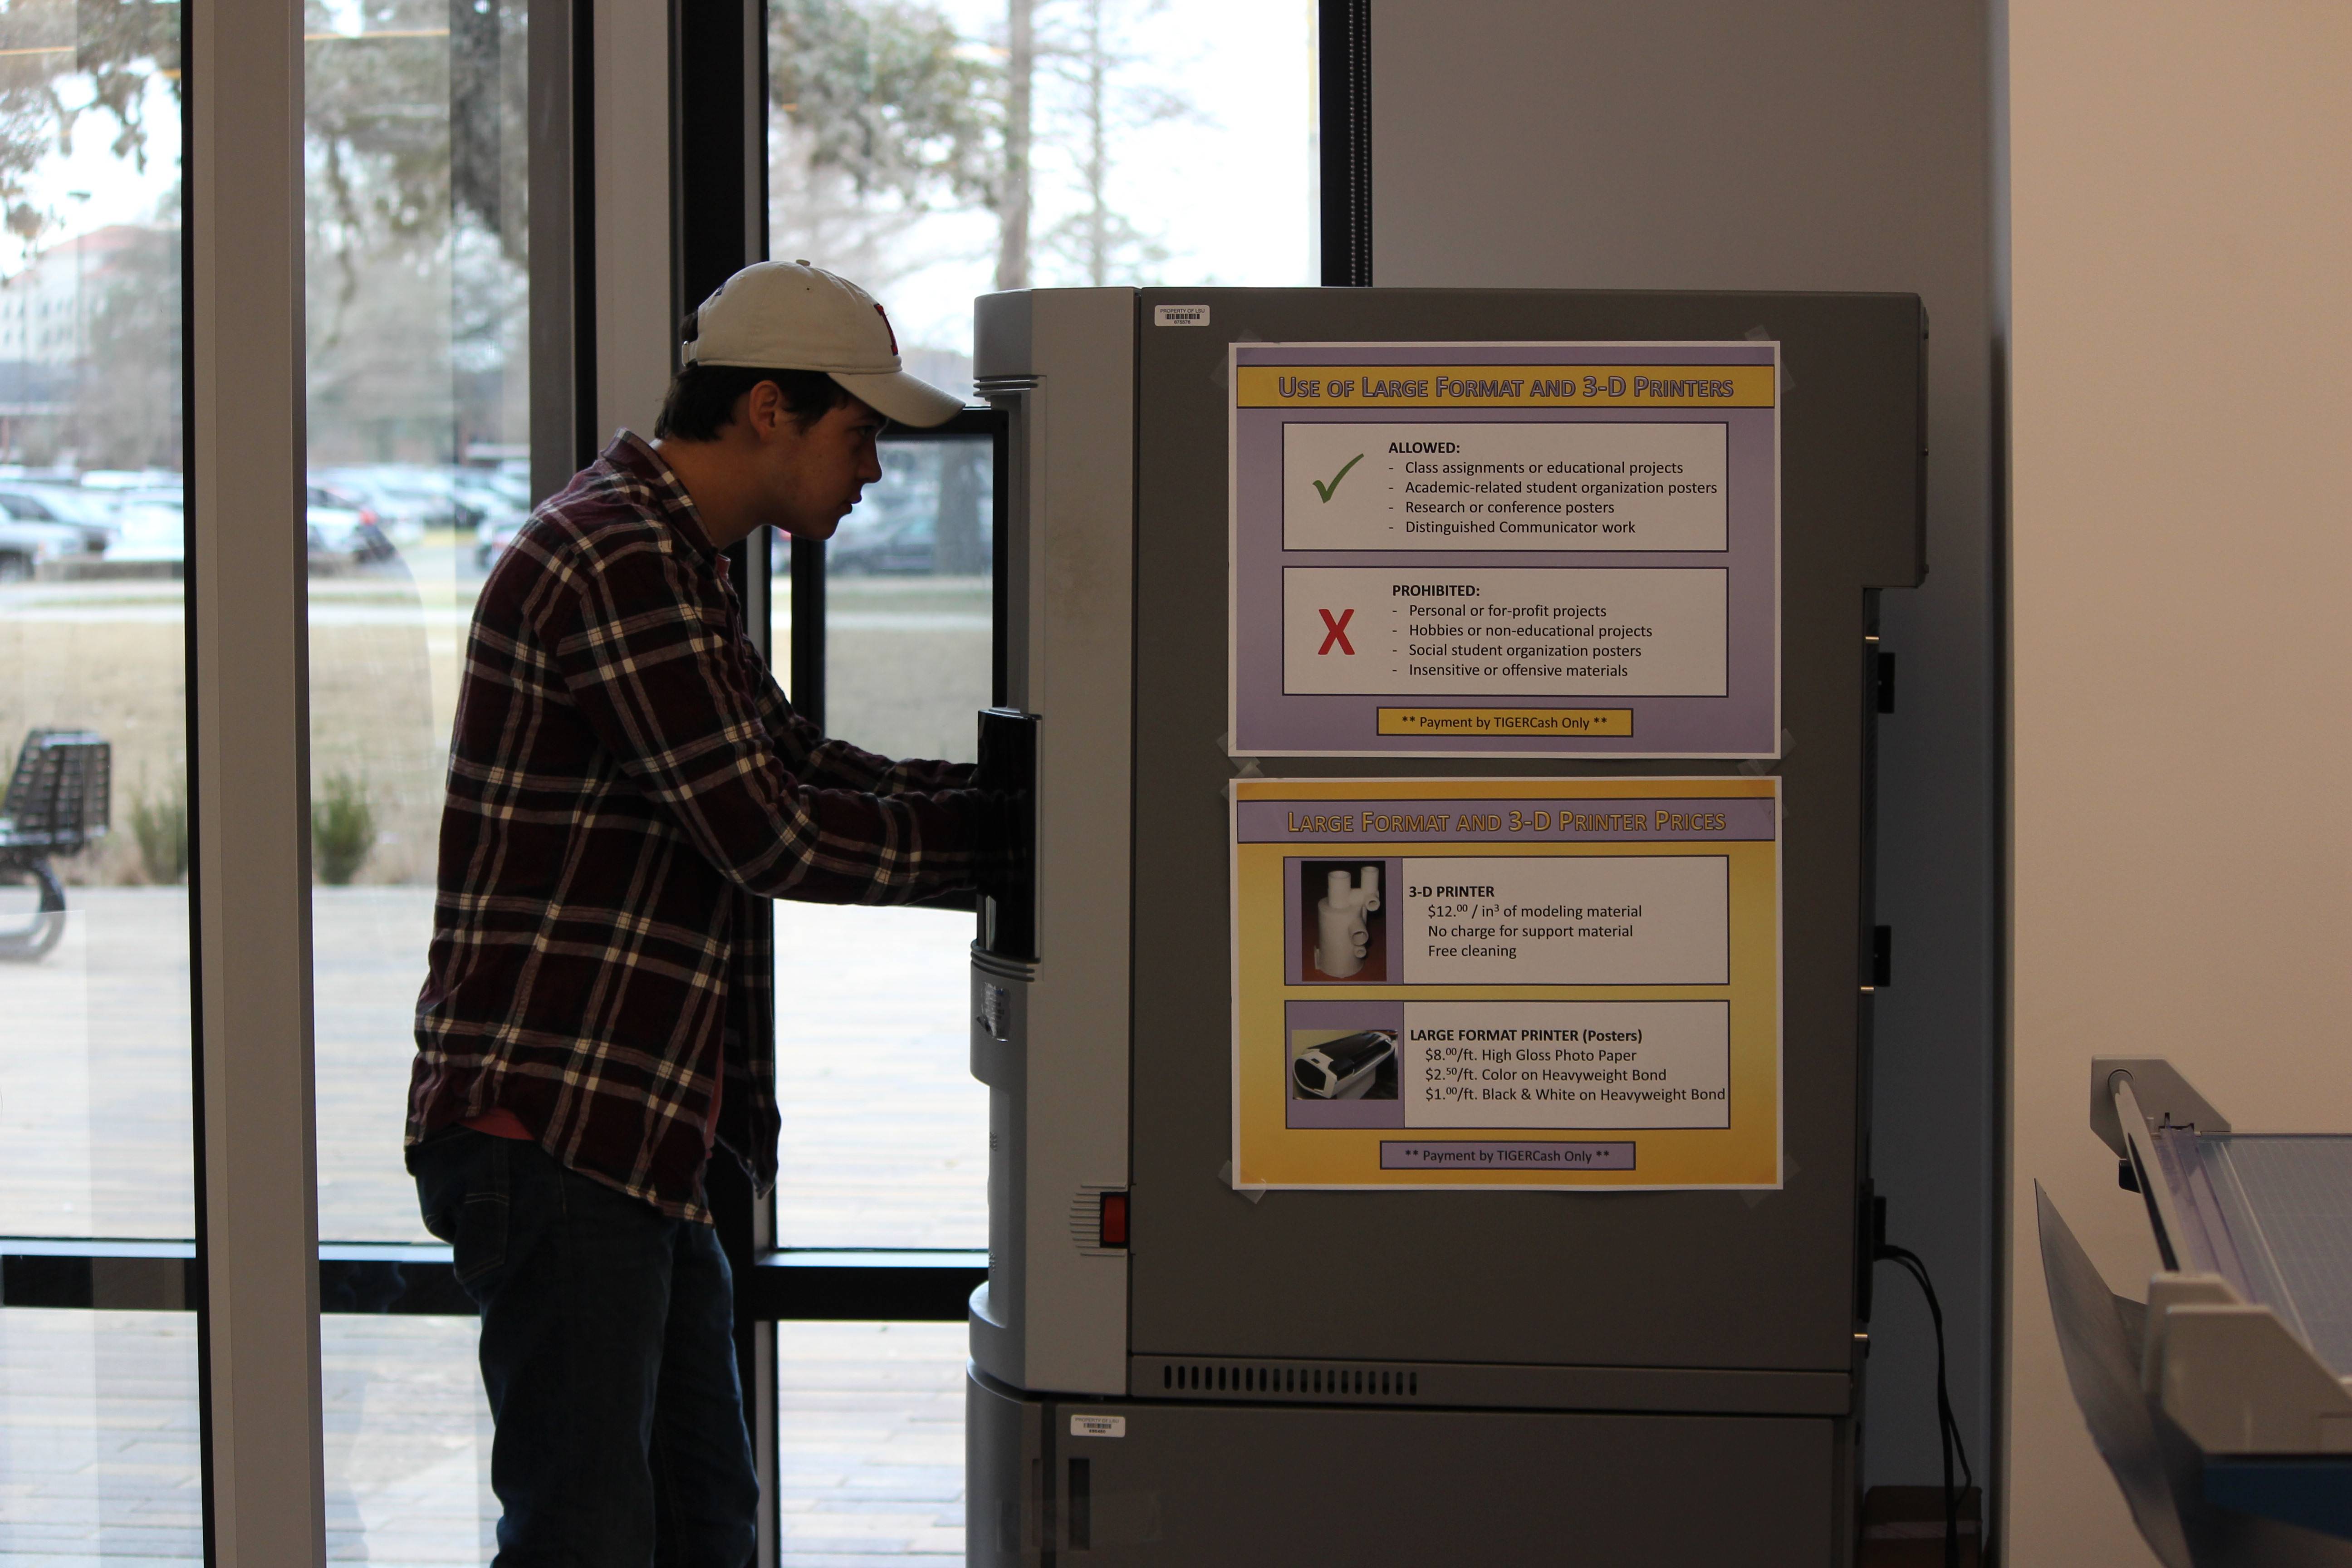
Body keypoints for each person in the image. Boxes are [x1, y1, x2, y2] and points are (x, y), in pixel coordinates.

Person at [405, 261, 995, 1566]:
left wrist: (1013, 801)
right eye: (861, 438)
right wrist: (1013, 845)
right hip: (561, 1133)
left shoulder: (668, 555)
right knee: (591, 1538)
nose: (874, 475)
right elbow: (769, 831)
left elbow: (795, 764)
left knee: (701, 1526)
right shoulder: (616, 556)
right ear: (771, 410)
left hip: (634, 1140)